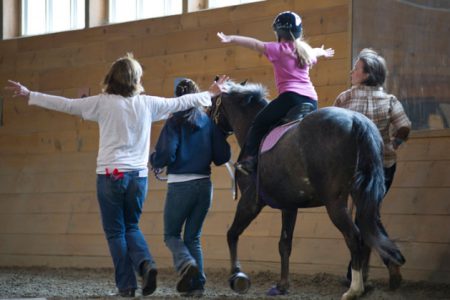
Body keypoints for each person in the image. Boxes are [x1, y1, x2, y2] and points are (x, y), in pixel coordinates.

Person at [5, 54, 227, 297]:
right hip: (138, 178)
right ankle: (145, 263)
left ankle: (127, 284)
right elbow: (182, 102)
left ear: (112, 78)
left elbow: (67, 104)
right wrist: (211, 92)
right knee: (131, 227)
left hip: (110, 174)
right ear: (136, 79)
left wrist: (30, 95)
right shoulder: (148, 104)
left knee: (115, 232)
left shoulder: (102, 103)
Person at [217, 11, 334, 175]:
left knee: (258, 124)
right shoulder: (305, 50)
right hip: (312, 100)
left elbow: (255, 44)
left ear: (279, 33)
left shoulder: (279, 49)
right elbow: (315, 52)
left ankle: (249, 160)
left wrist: (232, 38)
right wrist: (323, 52)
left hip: (290, 98)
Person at [333, 48, 411, 289]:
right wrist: (392, 146)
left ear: (366, 75)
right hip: (383, 167)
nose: (351, 72)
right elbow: (404, 127)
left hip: (354, 168)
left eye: (356, 69)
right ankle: (362, 272)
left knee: (365, 218)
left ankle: (368, 269)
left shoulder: (345, 98)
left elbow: (330, 129)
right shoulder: (390, 100)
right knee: (367, 217)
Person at [150, 78, 231, 297]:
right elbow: (223, 156)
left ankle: (185, 263)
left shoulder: (174, 122)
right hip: (205, 186)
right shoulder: (207, 121)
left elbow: (167, 154)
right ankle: (197, 285)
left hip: (181, 186)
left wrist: (154, 160)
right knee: (192, 237)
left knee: (171, 235)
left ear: (178, 98)